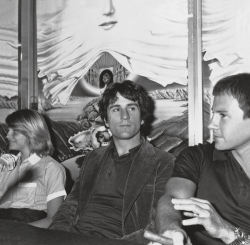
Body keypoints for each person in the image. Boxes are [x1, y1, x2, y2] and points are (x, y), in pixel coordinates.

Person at [49, 80, 174, 244]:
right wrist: (55, 236)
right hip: (74, 237)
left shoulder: (164, 162)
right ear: (106, 121)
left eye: (131, 108)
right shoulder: (94, 158)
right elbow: (70, 206)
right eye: (116, 109)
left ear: (142, 117)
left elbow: (158, 221)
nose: (124, 116)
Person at [154, 73, 250, 245]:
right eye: (213, 114)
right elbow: (172, 199)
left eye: (222, 115)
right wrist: (172, 230)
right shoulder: (197, 157)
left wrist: (227, 232)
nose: (211, 124)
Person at [0, 109, 66, 228]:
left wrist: (16, 232)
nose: (7, 135)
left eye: (14, 131)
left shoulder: (51, 168)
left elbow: (53, 219)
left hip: (26, 227)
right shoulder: (5, 166)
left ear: (31, 133)